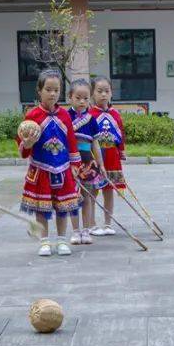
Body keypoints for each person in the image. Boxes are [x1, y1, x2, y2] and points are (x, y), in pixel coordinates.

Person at [19, 68, 81, 257]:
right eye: (48, 89)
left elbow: (71, 141)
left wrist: (75, 165)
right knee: (42, 208)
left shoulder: (64, 116)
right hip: (41, 169)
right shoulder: (32, 117)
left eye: (56, 89)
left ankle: (62, 240)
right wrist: (27, 143)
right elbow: (23, 147)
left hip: (63, 168)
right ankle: (44, 241)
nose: (53, 93)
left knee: (63, 208)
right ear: (39, 91)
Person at [68, 78, 107, 245]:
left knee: (88, 197)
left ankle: (86, 229)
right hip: (70, 163)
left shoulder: (91, 120)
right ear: (70, 97)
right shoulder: (65, 116)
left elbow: (95, 144)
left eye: (85, 98)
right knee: (73, 197)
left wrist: (101, 164)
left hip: (87, 163)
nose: (82, 102)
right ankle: (75, 231)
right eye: (78, 98)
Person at [90, 76, 126, 236]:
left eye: (107, 91)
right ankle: (91, 223)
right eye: (99, 91)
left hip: (112, 157)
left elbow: (121, 133)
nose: (103, 94)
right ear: (92, 94)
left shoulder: (115, 114)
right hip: (95, 157)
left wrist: (122, 150)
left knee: (109, 190)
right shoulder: (89, 114)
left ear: (111, 93)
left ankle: (107, 223)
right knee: (93, 190)